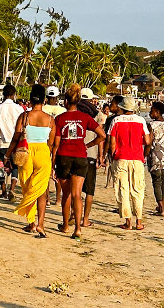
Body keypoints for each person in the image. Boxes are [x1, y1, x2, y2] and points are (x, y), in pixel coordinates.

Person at [53, 84, 106, 239]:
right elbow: (102, 135)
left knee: (66, 194)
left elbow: (56, 144)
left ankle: (65, 226)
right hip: (81, 157)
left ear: (67, 101)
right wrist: (88, 145)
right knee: (77, 194)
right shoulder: (85, 118)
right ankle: (77, 228)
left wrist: (53, 162)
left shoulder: (60, 119)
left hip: (64, 157)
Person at [5, 84, 55, 237]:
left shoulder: (24, 116)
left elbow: (15, 138)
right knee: (40, 190)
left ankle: (31, 223)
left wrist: (7, 155)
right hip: (43, 152)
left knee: (27, 187)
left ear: (31, 99)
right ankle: (40, 224)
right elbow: (51, 142)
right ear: (44, 100)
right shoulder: (50, 119)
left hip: (26, 152)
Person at [109, 96, 151, 231]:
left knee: (123, 189)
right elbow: (148, 140)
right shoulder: (141, 120)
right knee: (138, 189)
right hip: (137, 158)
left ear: (122, 107)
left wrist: (112, 156)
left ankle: (128, 222)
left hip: (120, 158)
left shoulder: (116, 120)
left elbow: (112, 143)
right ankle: (138, 221)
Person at [0, 84, 24, 200]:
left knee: (1, 166)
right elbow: (22, 128)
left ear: (3, 94)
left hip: (2, 142)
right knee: (15, 166)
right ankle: (12, 189)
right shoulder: (19, 109)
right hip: (15, 143)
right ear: (14, 95)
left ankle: (4, 190)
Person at [78, 88, 103, 228]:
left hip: (75, 153)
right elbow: (100, 137)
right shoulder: (97, 114)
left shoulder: (74, 112)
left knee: (75, 189)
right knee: (89, 190)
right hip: (91, 154)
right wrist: (101, 156)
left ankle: (73, 214)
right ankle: (85, 219)